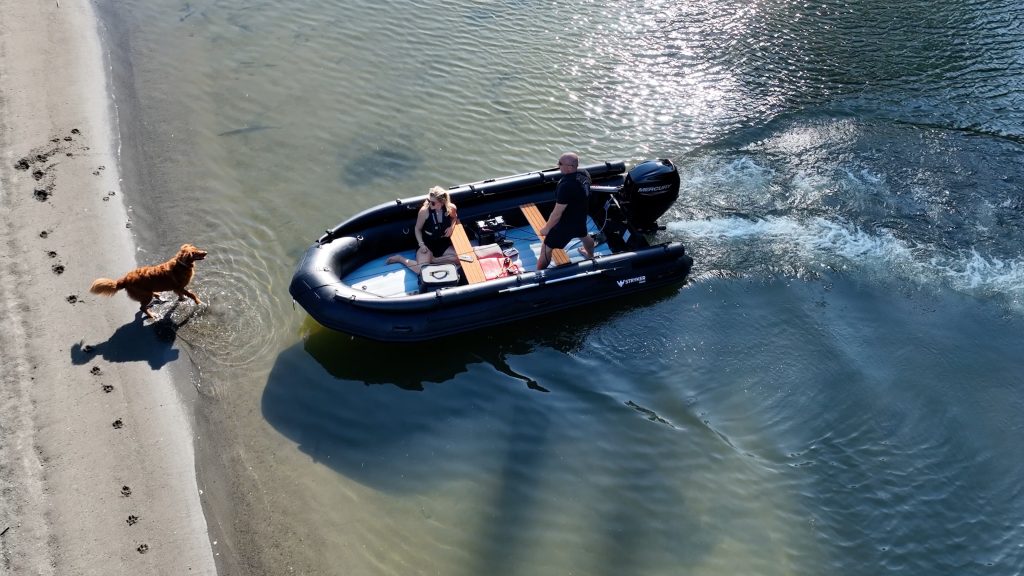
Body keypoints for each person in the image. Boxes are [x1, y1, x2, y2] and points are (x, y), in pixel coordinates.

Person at [537, 152, 595, 269]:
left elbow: (557, 213)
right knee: (585, 236)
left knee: (546, 247)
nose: (558, 165)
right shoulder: (584, 174)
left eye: (560, 163)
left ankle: (539, 273)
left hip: (566, 224)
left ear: (569, 167)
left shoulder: (566, 186)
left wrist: (546, 228)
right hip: (580, 216)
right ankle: (590, 256)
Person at [387, 186, 459, 274]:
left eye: (432, 202)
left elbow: (454, 218)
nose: (429, 204)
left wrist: (451, 227)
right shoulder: (424, 211)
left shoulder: (451, 208)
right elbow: (417, 229)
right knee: (422, 270)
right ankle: (400, 259)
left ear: (442, 202)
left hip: (442, 242)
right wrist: (421, 244)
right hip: (426, 243)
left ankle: (434, 260)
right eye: (428, 200)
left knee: (460, 259)